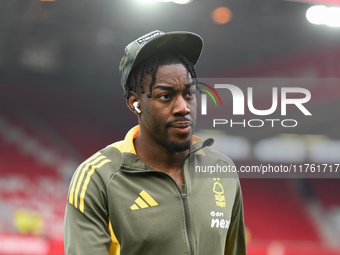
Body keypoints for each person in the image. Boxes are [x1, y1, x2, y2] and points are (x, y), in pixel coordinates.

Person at [64, 30, 247, 255]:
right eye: (165, 96)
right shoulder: (98, 177)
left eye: (189, 94)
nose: (183, 107)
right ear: (135, 104)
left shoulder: (222, 169)